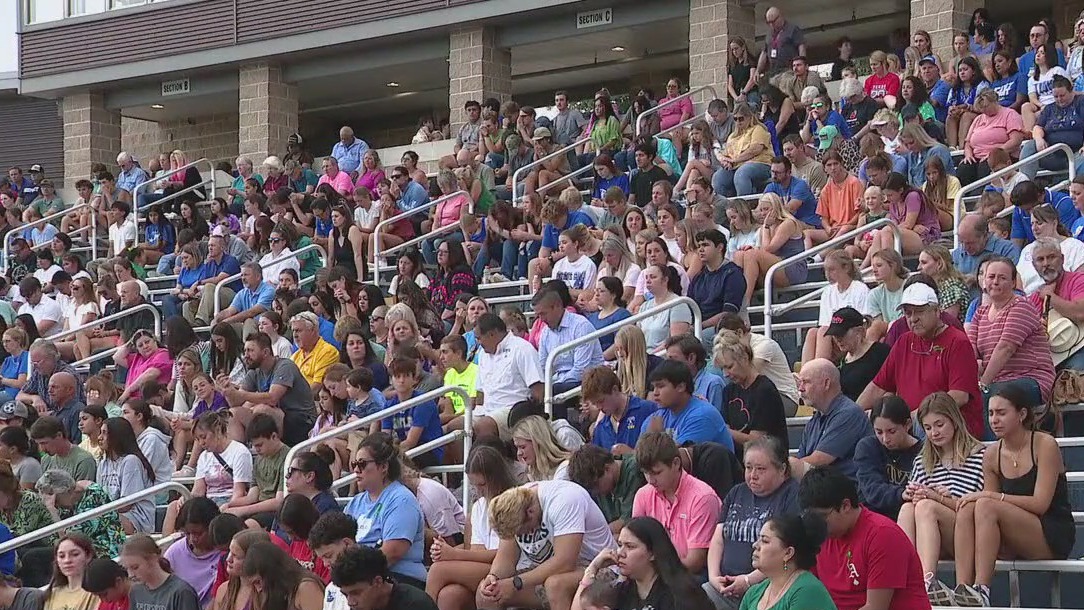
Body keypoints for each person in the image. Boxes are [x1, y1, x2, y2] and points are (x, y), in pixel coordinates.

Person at [951, 385, 1076, 607]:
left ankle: (982, 589)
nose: (994, 420)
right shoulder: (991, 454)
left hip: (1051, 531)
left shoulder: (1044, 444)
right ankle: (963, 588)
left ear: (1021, 414)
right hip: (1015, 532)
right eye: (990, 413)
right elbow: (987, 507)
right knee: (969, 507)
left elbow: (1040, 504)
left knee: (985, 504)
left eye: (1001, 413)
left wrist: (992, 497)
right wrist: (987, 498)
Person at [858, 282, 985, 439]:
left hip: (949, 427)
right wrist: (854, 415)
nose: (913, 319)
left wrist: (913, 417)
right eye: (908, 313)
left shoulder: (957, 342)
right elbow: (878, 386)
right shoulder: (904, 341)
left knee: (919, 427)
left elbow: (959, 396)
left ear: (937, 311)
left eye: (919, 312)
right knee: (867, 436)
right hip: (909, 425)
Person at [893, 393, 984, 603]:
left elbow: (977, 509)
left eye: (939, 424)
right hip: (930, 532)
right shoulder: (922, 461)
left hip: (966, 533)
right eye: (927, 427)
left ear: (954, 420)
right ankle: (904, 578)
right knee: (908, 508)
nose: (934, 433)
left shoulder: (980, 455)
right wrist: (915, 495)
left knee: (926, 507)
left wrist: (939, 498)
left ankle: (925, 582)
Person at [798, 466, 929, 610]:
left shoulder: (882, 535)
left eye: (822, 517)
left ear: (845, 506)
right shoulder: (820, 537)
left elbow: (876, 607)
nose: (818, 525)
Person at [479, 480, 615, 610]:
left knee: (556, 585)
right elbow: (505, 560)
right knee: (487, 596)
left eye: (521, 532)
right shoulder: (512, 508)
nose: (520, 536)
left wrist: (516, 583)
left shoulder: (564, 499)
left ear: (530, 513)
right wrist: (494, 578)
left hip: (602, 566)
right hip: (552, 571)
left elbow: (565, 562)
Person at [702, 436, 800, 610]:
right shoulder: (737, 492)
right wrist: (713, 577)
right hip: (724, 585)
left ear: (782, 469)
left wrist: (748, 580)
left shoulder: (792, 495)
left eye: (761, 469)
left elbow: (786, 551)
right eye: (748, 467)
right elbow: (718, 538)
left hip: (767, 586)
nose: (753, 475)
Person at [426, 446, 519, 610]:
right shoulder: (479, 506)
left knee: (437, 570)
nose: (478, 491)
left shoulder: (513, 501)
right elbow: (478, 551)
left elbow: (503, 555)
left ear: (495, 477)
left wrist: (454, 554)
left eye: (482, 484)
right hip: (485, 568)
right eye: (474, 485)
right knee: (450, 595)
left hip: (509, 568)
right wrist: (448, 552)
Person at [968, 256, 1056, 412]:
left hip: (1030, 378)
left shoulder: (1021, 306)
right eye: (991, 277)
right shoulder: (980, 312)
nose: (995, 282)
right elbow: (970, 349)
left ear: (1013, 283)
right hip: (996, 381)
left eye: (1002, 278)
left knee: (994, 398)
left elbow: (1005, 348)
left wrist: (983, 384)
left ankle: (996, 438)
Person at [573, 517, 715, 610]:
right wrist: (593, 567)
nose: (620, 553)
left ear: (652, 553)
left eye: (630, 546)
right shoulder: (624, 591)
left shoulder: (681, 594)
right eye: (620, 545)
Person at [342, 434, 427, 589]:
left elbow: (392, 553)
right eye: (354, 463)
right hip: (363, 577)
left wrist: (351, 572)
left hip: (399, 580)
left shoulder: (401, 499)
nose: (355, 469)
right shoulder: (355, 502)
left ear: (383, 467)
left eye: (362, 464)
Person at [791, 360, 872, 480]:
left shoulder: (848, 413)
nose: (801, 389)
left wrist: (781, 469)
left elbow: (818, 461)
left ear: (826, 383)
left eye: (806, 382)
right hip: (820, 488)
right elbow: (801, 460)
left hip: (846, 492)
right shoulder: (814, 421)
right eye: (799, 383)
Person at [714, 332, 787, 457]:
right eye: (722, 369)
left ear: (745, 358)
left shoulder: (764, 390)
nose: (725, 374)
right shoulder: (729, 390)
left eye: (730, 367)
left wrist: (720, 429)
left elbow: (756, 441)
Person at [641, 360, 734, 451]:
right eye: (653, 387)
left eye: (660, 386)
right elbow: (639, 457)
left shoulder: (702, 416)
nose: (655, 393)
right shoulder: (656, 417)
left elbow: (674, 460)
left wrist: (655, 437)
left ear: (681, 387)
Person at [853, 397, 921, 521]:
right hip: (873, 518)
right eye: (879, 432)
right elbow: (872, 489)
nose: (885, 439)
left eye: (892, 431)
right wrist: (901, 494)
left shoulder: (923, 452)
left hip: (911, 518)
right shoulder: (867, 447)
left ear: (907, 425)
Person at [36, 469, 124, 559]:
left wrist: (53, 512)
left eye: (56, 501)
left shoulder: (93, 497)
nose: (55, 505)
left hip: (103, 550)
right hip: (79, 551)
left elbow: (70, 541)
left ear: (68, 491)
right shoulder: (69, 501)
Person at [1028, 239, 1084, 371]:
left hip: (1081, 349)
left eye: (1051, 257)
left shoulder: (1078, 280)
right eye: (1040, 260)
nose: (1046, 263)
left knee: (1074, 378)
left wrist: (1050, 297)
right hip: (1051, 358)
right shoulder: (1033, 299)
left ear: (1062, 259)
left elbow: (1080, 313)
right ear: (1034, 265)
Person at [96, 418, 156, 534]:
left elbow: (126, 504)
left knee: (93, 523)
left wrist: (98, 512)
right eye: (100, 433)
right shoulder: (103, 463)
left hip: (135, 519)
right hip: (110, 514)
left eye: (104, 433)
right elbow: (98, 496)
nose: (100, 438)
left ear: (116, 436)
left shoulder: (131, 461)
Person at [332, 545, 438, 610]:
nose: (350, 602)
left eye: (356, 592)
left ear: (377, 581)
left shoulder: (415, 605)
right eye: (345, 595)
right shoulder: (363, 606)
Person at [580, 366, 657, 453]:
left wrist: (631, 454)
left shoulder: (646, 410)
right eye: (594, 404)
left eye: (601, 401)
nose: (598, 407)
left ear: (615, 390)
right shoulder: (601, 429)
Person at [119, 535, 201, 610]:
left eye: (135, 567)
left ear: (153, 559)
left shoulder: (181, 592)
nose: (130, 575)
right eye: (127, 569)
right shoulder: (136, 591)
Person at [240, 541, 325, 610]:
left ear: (271, 572)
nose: (258, 589)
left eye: (257, 582)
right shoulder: (279, 591)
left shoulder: (306, 587)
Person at [829, 307, 891, 402]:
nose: (838, 339)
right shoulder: (840, 360)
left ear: (859, 331)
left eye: (842, 334)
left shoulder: (881, 353)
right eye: (835, 334)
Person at [29, 417, 96, 482]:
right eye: (39, 444)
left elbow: (83, 491)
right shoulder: (46, 459)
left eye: (44, 443)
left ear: (59, 435)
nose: (42, 449)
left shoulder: (83, 461)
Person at [43, 534, 98, 610]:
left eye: (75, 554)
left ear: (88, 556)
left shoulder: (97, 591)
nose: (67, 560)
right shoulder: (53, 593)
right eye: (62, 556)